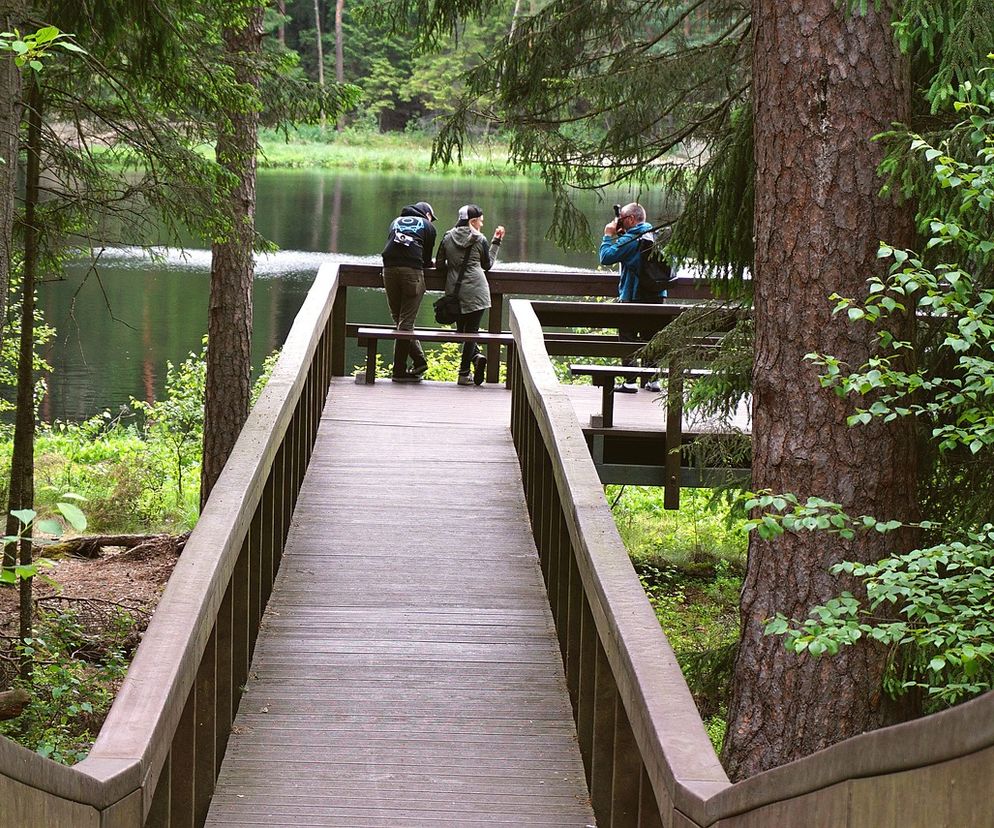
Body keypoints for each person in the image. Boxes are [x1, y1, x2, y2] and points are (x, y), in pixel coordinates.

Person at [435, 204, 506, 386]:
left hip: (454, 292)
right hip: (477, 291)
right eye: (480, 222)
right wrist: (496, 242)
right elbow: (487, 264)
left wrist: (454, 267)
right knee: (471, 333)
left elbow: (439, 265)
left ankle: (474, 360)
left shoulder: (447, 237)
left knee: (462, 332)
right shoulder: (480, 239)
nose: (481, 225)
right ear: (472, 221)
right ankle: (464, 372)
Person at [599, 201, 664, 393]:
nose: (619, 221)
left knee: (627, 338)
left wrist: (608, 235)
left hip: (633, 296)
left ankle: (629, 381)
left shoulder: (631, 240)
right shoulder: (654, 235)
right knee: (652, 338)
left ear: (632, 219)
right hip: (657, 295)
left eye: (622, 218)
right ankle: (653, 380)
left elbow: (606, 257)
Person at [381, 200, 437, 382]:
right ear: (427, 215)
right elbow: (427, 259)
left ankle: (419, 361)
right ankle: (399, 371)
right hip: (412, 272)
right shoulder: (428, 226)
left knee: (399, 318)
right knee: (405, 322)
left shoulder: (395, 221)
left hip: (388, 269)